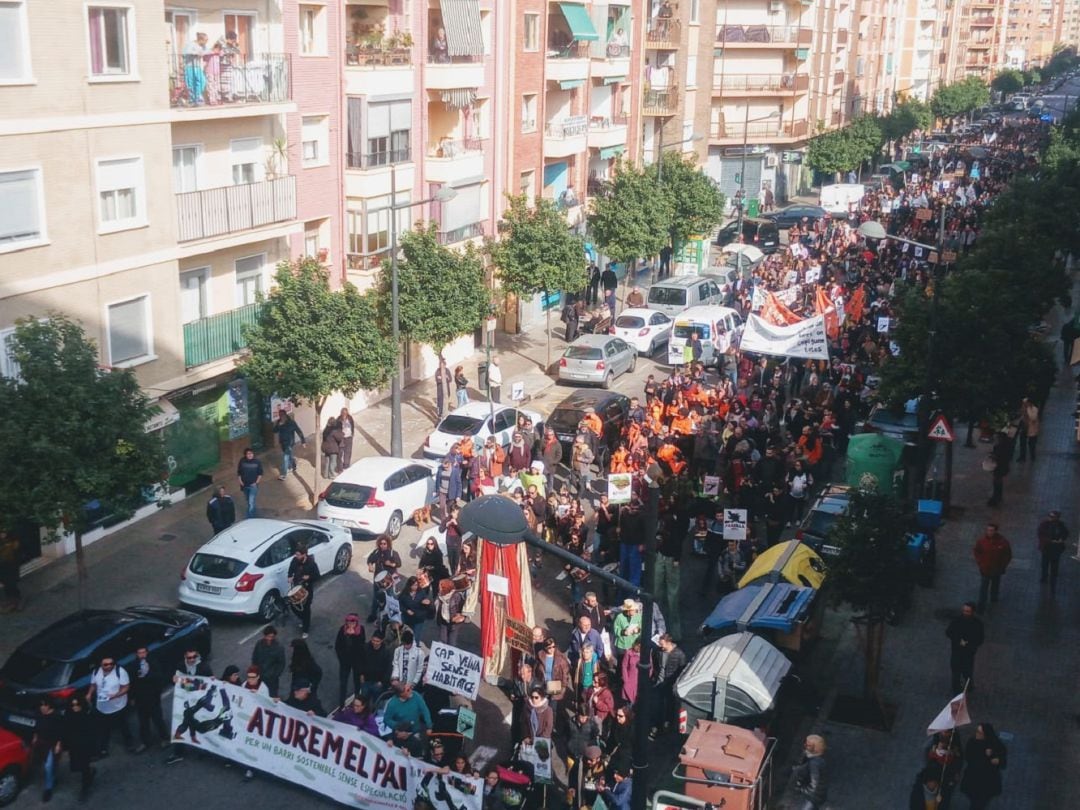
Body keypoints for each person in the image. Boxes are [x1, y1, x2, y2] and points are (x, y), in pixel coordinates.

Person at [86, 654, 135, 756]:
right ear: (101, 664)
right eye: (106, 664)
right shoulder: (96, 672)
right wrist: (89, 693)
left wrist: (116, 695)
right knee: (103, 728)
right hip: (102, 706)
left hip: (118, 706)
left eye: (111, 663)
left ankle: (129, 743)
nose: (109, 666)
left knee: (123, 726)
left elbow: (126, 687)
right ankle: (103, 748)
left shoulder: (120, 672)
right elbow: (93, 684)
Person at [129, 646, 169, 751]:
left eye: (143, 652)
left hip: (152, 696)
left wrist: (148, 676)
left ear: (147, 653)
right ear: (136, 654)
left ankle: (165, 738)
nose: (142, 655)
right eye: (139, 653)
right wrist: (132, 697)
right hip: (140, 698)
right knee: (143, 721)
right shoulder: (133, 666)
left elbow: (159, 677)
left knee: (158, 719)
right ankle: (146, 742)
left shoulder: (153, 663)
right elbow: (132, 682)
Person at [960, 724, 1007, 809]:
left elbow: (1003, 761)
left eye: (980, 732)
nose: (977, 734)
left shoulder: (994, 743)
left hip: (988, 781)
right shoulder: (972, 742)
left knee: (980, 803)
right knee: (975, 802)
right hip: (973, 779)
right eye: (977, 731)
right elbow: (968, 757)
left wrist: (995, 758)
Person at [649, 634, 686, 739]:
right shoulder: (658, 652)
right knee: (658, 706)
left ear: (669, 643)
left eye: (662, 644)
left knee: (670, 705)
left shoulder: (679, 654)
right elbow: (656, 665)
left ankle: (668, 724)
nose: (661, 647)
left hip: (670, 684)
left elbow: (682, 670)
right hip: (659, 683)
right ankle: (657, 726)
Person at [61, 694, 96, 802]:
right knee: (77, 765)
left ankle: (85, 788)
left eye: (77, 705)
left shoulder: (87, 716)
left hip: (84, 746)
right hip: (74, 746)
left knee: (84, 766)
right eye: (73, 705)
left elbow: (92, 732)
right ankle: (89, 773)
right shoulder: (68, 716)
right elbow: (65, 731)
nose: (75, 707)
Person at [945, 602, 984, 693]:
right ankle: (956, 690)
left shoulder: (977, 624)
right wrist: (959, 641)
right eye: (964, 611)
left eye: (967, 611)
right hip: (957, 651)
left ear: (972, 612)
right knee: (956, 673)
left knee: (967, 672)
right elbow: (948, 632)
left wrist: (968, 644)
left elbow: (980, 639)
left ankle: (968, 687)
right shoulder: (957, 620)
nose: (965, 613)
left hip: (968, 653)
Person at [973, 523, 1012, 613]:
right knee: (983, 589)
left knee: (995, 584)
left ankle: (994, 597)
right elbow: (977, 551)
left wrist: (1002, 566)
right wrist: (980, 562)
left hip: (997, 569)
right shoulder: (982, 541)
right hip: (985, 569)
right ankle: (981, 606)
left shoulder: (1003, 542)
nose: (989, 532)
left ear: (995, 531)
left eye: (991, 530)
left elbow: (1007, 555)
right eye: (988, 530)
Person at [31, 697, 63, 802]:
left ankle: (48, 788)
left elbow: (60, 732)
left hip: (52, 744)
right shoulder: (40, 715)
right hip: (42, 743)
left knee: (48, 766)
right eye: (41, 705)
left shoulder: (56, 717)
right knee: (47, 764)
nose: (42, 707)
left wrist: (58, 744)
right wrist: (35, 737)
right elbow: (36, 727)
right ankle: (53, 778)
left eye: (45, 705)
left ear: (50, 705)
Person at [288, 542, 320, 637]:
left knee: (306, 609)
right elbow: (291, 569)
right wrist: (289, 576)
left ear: (304, 554)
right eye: (296, 554)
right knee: (293, 605)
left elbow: (317, 576)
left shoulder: (311, 564)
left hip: (306, 589)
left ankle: (305, 629)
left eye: (298, 555)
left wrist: (309, 577)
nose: (296, 556)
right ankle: (304, 618)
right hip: (296, 585)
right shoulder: (294, 561)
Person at [335, 613, 367, 705]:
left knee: (357, 682)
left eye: (353, 622)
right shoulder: (342, 629)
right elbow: (338, 645)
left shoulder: (361, 630)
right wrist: (341, 658)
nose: (350, 624)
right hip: (345, 661)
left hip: (356, 661)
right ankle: (341, 703)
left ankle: (357, 700)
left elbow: (361, 645)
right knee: (343, 682)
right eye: (349, 622)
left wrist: (354, 635)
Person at [791, 734, 828, 809]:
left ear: (815, 748)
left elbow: (813, 785)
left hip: (813, 797)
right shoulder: (818, 759)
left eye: (808, 745)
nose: (804, 745)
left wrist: (801, 790)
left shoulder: (814, 763)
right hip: (819, 795)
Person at [251, 625, 287, 698]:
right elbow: (255, 656)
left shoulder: (279, 647)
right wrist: (254, 669)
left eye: (272, 637)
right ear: (264, 635)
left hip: (271, 677)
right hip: (259, 674)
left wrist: (275, 674)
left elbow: (281, 663)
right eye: (268, 636)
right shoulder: (259, 644)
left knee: (272, 695)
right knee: (258, 693)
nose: (270, 639)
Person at [1037, 509, 1069, 589]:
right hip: (1047, 547)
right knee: (1045, 563)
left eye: (1054, 517)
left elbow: (1065, 533)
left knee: (1055, 564)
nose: (1051, 518)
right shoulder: (1044, 524)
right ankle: (1044, 577)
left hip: (1056, 548)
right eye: (1050, 516)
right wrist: (1050, 540)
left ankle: (1053, 577)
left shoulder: (1060, 525)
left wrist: (1061, 539)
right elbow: (1041, 534)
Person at [358, 632, 392, 700]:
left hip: (378, 683)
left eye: (377, 641)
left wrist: (382, 682)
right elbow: (360, 662)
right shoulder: (365, 648)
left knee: (376, 701)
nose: (375, 643)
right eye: (373, 640)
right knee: (363, 699)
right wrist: (361, 674)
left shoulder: (386, 652)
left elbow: (388, 669)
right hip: (366, 680)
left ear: (382, 641)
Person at [272, 409, 305, 480]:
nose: (281, 417)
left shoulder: (291, 423)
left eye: (282, 415)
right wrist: (278, 425)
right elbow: (274, 431)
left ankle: (283, 475)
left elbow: (298, 431)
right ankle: (293, 466)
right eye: (280, 416)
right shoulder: (279, 422)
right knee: (289, 455)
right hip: (283, 442)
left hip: (289, 443)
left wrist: (303, 441)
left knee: (285, 458)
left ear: (285, 415)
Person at [435, 578, 467, 646]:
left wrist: (461, 616)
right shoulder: (440, 596)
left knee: (452, 642)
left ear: (446, 588)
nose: (439, 589)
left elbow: (462, 608)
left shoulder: (456, 596)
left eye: (441, 587)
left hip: (454, 623)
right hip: (443, 620)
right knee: (442, 641)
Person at [986, 430, 1011, 507]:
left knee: (997, 482)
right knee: (999, 482)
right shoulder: (1006, 446)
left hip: (999, 466)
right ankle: (998, 497)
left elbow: (997, 456)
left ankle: (996, 498)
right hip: (1003, 466)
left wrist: (992, 455)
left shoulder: (999, 446)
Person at [236, 448, 263, 518]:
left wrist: (256, 483)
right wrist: (240, 481)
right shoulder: (242, 461)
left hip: (253, 486)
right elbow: (239, 472)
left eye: (251, 453)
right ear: (245, 455)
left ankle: (250, 518)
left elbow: (260, 473)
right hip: (244, 485)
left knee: (251, 502)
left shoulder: (257, 462)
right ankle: (252, 511)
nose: (250, 455)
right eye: (248, 454)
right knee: (248, 500)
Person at [0, 530, 22, 612]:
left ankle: (15, 602)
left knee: (11, 584)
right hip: (4, 566)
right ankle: (12, 602)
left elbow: (15, 549)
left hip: (10, 565)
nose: (2, 534)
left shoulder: (12, 542)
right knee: (7, 584)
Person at [1016, 396, 1039, 462]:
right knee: (1022, 442)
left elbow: (1033, 418)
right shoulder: (1023, 408)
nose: (1024, 404)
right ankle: (1022, 457)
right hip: (1024, 427)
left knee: (1031, 444)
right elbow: (1021, 415)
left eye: (1026, 403)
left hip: (1032, 429)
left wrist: (1028, 409)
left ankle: (1032, 456)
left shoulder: (1034, 409)